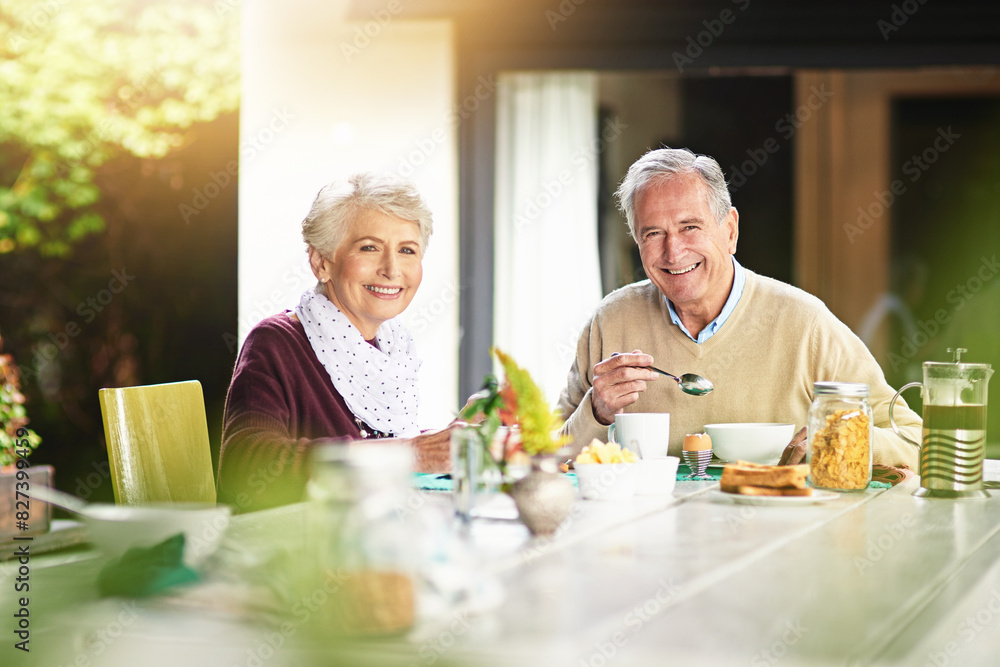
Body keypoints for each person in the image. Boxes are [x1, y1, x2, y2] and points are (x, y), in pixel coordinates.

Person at [557, 147, 921, 469]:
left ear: (730, 230)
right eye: (653, 233)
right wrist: (597, 412)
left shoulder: (805, 324)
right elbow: (546, 452)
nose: (673, 252)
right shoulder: (611, 321)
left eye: (690, 227)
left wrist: (839, 441)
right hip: (645, 541)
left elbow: (913, 440)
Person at [218, 173, 451, 511]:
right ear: (321, 262)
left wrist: (452, 442)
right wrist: (411, 454)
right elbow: (247, 468)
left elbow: (379, 443)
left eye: (407, 250)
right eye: (369, 247)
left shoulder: (393, 349)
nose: (392, 269)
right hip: (293, 555)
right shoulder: (276, 342)